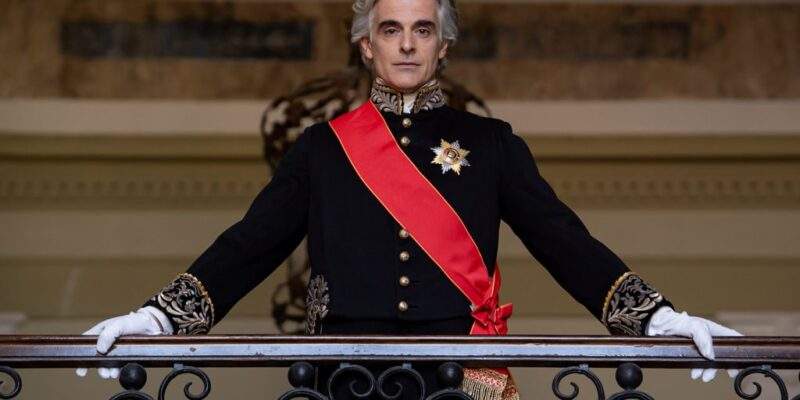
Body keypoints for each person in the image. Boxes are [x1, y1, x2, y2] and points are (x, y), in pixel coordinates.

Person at [77, 0, 742, 398]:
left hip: (456, 376)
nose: (405, 44)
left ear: (443, 46)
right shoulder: (323, 147)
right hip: (341, 378)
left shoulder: (490, 143)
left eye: (422, 30)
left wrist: (658, 319)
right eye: (391, 29)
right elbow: (249, 245)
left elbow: (564, 240)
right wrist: (159, 318)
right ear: (366, 46)